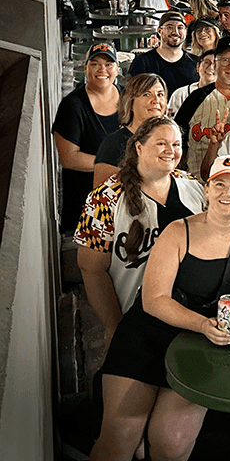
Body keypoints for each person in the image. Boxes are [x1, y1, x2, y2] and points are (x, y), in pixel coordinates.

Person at [66, 155, 230, 461]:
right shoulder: (179, 231)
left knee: (169, 441)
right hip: (152, 332)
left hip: (205, 339)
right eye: (219, 184)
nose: (227, 193)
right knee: (120, 435)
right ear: (206, 189)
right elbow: (154, 300)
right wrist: (204, 323)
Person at [75, 116, 206, 347]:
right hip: (135, 323)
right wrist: (113, 326)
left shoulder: (192, 185)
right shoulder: (104, 198)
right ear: (139, 147)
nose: (171, 150)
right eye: (161, 143)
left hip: (190, 319)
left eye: (176, 144)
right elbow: (91, 269)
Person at [53, 43, 122, 234]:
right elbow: (69, 158)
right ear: (85, 68)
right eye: (95, 64)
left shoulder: (128, 97)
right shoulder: (73, 106)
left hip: (123, 201)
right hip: (86, 204)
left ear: (118, 68)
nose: (103, 70)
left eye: (109, 64)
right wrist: (119, 166)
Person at [175, 34, 230, 177]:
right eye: (225, 60)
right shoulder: (196, 98)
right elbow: (177, 141)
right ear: (215, 63)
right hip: (198, 186)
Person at [93, 73, 168, 187]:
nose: (156, 100)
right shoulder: (113, 143)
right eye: (146, 94)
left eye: (160, 94)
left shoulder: (170, 142)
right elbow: (100, 196)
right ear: (130, 102)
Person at [127, 11, 197, 94]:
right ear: (160, 31)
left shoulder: (195, 63)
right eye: (169, 27)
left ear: (186, 31)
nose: (175, 32)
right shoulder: (143, 62)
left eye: (180, 27)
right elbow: (133, 95)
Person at [168, 49, 218, 117]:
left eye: (216, 64)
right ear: (198, 66)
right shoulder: (181, 94)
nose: (211, 67)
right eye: (206, 62)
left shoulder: (227, 96)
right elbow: (170, 122)